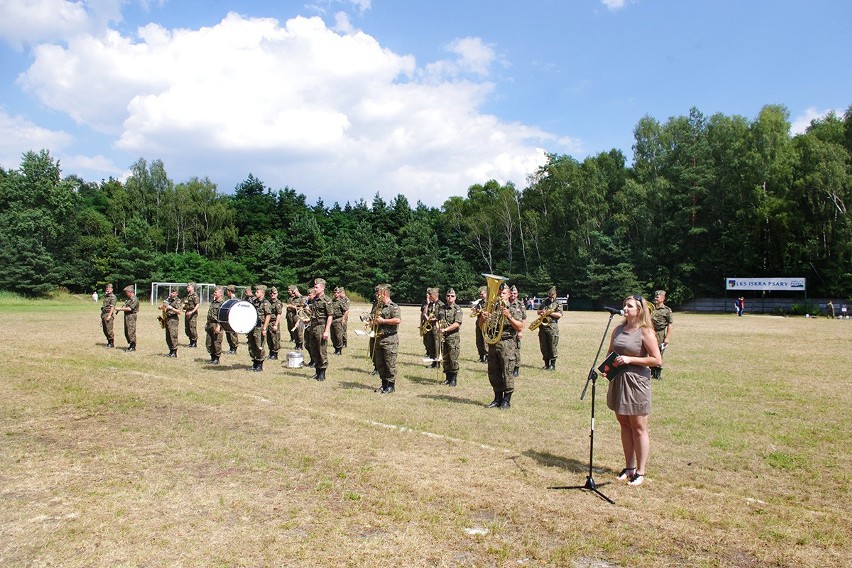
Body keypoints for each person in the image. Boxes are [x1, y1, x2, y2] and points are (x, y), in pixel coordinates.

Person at [603, 294, 663, 487]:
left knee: (638, 427)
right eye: (624, 305)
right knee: (624, 424)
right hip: (618, 379)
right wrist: (607, 368)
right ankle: (629, 467)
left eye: (630, 306)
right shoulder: (618, 329)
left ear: (639, 310)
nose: (625, 308)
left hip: (636, 383)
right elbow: (611, 352)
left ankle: (641, 470)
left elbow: (656, 360)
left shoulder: (646, 332)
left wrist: (630, 360)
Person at [480, 281, 525, 409]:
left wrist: (509, 316)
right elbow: (482, 326)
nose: (501, 295)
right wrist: (483, 318)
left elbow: (520, 326)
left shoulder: (513, 307)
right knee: (494, 371)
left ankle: (507, 399)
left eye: (504, 293)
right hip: (494, 342)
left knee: (507, 370)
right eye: (499, 293)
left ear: (509, 294)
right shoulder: (492, 307)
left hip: (507, 342)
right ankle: (497, 397)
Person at [373, 284, 402, 393]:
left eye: (378, 294)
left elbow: (397, 320)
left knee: (390, 363)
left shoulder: (393, 306)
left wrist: (383, 321)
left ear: (384, 294)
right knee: (380, 363)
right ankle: (383, 383)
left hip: (390, 339)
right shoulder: (378, 306)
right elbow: (374, 318)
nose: (376, 296)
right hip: (379, 337)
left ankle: (390, 385)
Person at [307, 278, 333, 381]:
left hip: (321, 327)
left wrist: (326, 331)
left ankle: (322, 372)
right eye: (314, 286)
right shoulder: (314, 300)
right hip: (313, 326)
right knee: (313, 349)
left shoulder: (326, 300)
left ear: (322, 288)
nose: (315, 288)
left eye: (316, 287)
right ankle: (317, 371)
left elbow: (330, 316)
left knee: (321, 350)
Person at [437, 288, 463, 386]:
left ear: (455, 297)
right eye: (448, 296)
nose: (450, 298)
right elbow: (437, 319)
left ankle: (453, 379)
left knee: (453, 358)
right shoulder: (442, 308)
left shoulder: (457, 309)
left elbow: (457, 323)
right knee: (445, 358)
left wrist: (445, 329)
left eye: (452, 296)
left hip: (453, 337)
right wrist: (438, 328)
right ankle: (447, 377)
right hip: (443, 337)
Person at [537, 286, 563, 370]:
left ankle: (553, 365)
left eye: (552, 295)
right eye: (549, 295)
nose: (551, 297)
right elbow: (538, 311)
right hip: (543, 327)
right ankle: (546, 364)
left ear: (555, 294)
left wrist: (549, 313)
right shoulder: (544, 302)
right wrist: (541, 312)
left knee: (552, 345)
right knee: (544, 346)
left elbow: (559, 314)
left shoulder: (558, 303)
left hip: (552, 326)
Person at [650, 290, 673, 380]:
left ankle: (657, 373)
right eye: (655, 296)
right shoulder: (651, 308)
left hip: (660, 333)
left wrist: (667, 338)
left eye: (658, 297)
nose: (655, 298)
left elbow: (670, 325)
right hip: (651, 332)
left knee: (659, 352)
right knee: (650, 351)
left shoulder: (667, 310)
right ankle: (650, 371)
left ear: (663, 298)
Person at [248, 285, 271, 371]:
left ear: (262, 293)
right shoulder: (254, 301)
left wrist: (264, 328)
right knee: (251, 344)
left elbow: (268, 315)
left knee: (259, 345)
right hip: (252, 326)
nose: (255, 293)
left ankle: (260, 364)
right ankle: (254, 362)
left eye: (257, 292)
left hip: (259, 326)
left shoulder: (265, 303)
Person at [421, 287, 443, 367]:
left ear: (435, 295)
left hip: (436, 327)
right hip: (429, 327)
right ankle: (433, 362)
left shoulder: (441, 304)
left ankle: (438, 362)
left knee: (437, 344)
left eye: (430, 295)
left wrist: (433, 319)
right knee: (430, 344)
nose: (429, 296)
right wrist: (427, 303)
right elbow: (424, 313)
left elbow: (441, 316)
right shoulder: (430, 304)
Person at [114, 285, 139, 352]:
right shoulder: (129, 299)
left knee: (131, 331)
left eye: (126, 292)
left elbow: (130, 308)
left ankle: (132, 346)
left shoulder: (134, 299)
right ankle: (130, 344)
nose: (126, 294)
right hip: (127, 316)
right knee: (127, 331)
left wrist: (120, 309)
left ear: (130, 292)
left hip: (131, 316)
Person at [510, 285, 526, 377]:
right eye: (511, 293)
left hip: (516, 330)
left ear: (517, 294)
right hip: (507, 330)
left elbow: (523, 318)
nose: (513, 295)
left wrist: (521, 331)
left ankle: (516, 368)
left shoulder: (520, 304)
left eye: (515, 293)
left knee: (516, 349)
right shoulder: (505, 303)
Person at [205, 286, 224, 364]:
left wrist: (219, 326)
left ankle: (216, 358)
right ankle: (212, 357)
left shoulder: (222, 303)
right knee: (209, 342)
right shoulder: (213, 302)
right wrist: (207, 324)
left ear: (220, 293)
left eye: (216, 292)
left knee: (216, 342)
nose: (214, 294)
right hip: (210, 324)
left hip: (217, 324)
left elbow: (223, 316)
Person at [330, 286, 350, 355]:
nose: (336, 294)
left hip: (338, 319)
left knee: (338, 335)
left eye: (337, 293)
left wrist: (343, 319)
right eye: (335, 292)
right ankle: (335, 348)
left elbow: (346, 310)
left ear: (339, 294)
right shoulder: (331, 301)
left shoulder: (341, 302)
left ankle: (339, 349)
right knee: (333, 336)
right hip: (332, 320)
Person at [285, 285, 305, 350]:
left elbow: (303, 308)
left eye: (294, 292)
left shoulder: (302, 298)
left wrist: (294, 307)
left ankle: (300, 344)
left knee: (299, 331)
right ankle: (297, 344)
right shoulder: (292, 298)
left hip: (298, 315)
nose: (293, 293)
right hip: (291, 315)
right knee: (294, 331)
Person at [266, 287, 283, 360]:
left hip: (273, 321)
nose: (272, 295)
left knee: (275, 338)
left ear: (277, 294)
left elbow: (278, 314)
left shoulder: (278, 303)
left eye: (274, 293)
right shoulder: (268, 302)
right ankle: (271, 352)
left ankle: (275, 353)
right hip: (268, 322)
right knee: (269, 338)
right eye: (271, 293)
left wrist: (276, 324)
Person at [163, 288, 182, 357]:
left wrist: (171, 308)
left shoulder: (178, 301)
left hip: (173, 319)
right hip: (167, 318)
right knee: (168, 336)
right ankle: (171, 350)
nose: (172, 294)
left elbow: (179, 312)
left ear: (177, 294)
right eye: (171, 292)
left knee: (173, 335)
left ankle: (174, 351)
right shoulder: (168, 300)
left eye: (174, 293)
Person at [183, 283, 200, 348]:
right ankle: (190, 341)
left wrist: (192, 312)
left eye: (189, 287)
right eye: (187, 287)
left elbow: (197, 304)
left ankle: (194, 342)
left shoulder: (194, 295)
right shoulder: (188, 295)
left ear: (193, 288)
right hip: (187, 312)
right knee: (187, 328)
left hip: (192, 313)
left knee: (192, 327)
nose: (187, 288)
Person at [474, 286, 488, 363]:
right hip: (479, 322)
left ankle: (487, 356)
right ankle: (481, 356)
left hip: (486, 323)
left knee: (485, 340)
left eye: (482, 294)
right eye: (480, 294)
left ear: (486, 294)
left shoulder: (489, 302)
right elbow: (476, 312)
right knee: (479, 340)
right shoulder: (479, 303)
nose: (481, 296)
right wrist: (476, 310)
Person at [100, 283, 116, 348]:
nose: (108, 290)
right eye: (107, 288)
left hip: (108, 313)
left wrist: (109, 315)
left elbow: (112, 307)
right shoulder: (106, 296)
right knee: (105, 329)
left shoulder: (113, 297)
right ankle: (109, 341)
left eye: (109, 288)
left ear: (112, 289)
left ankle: (111, 343)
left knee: (109, 329)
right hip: (104, 313)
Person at [224, 285, 240, 354]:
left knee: (232, 334)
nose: (226, 293)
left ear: (229, 291)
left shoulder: (235, 300)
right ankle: (231, 348)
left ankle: (234, 348)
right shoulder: (228, 300)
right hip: (228, 320)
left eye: (227, 291)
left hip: (233, 320)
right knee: (228, 334)